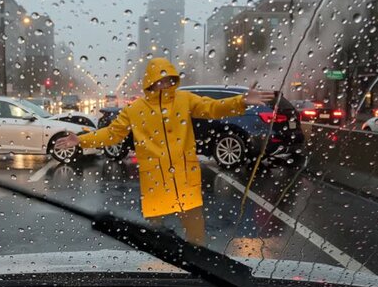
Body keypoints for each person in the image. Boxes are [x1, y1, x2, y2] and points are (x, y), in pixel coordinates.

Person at [55, 57, 274, 245]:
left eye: (170, 79)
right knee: (156, 238)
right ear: (151, 81)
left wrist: (242, 101)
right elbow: (112, 134)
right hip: (155, 180)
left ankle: (199, 269)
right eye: (161, 79)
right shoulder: (135, 109)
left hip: (186, 178)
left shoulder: (185, 99)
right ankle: (158, 268)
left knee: (196, 237)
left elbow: (212, 108)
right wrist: (81, 140)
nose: (166, 83)